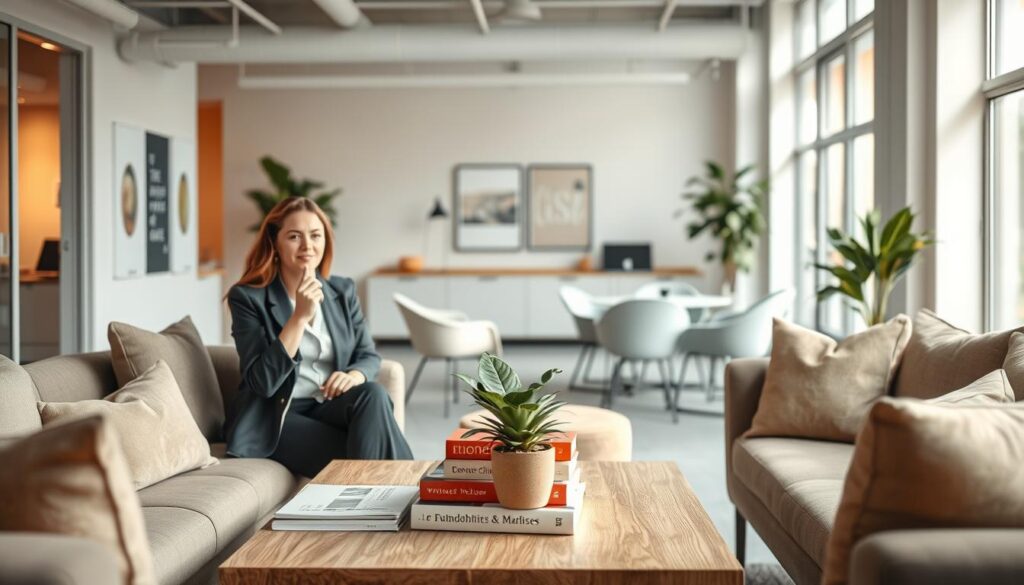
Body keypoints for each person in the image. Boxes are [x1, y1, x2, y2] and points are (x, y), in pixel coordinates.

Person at [224, 197, 412, 477]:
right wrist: (299, 317)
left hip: (328, 405)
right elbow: (262, 383)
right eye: (294, 237)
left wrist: (354, 376)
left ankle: (372, 499)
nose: (307, 246)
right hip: (278, 417)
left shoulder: (342, 290)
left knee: (372, 393)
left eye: (315, 235)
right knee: (366, 447)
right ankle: (416, 483)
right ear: (275, 242)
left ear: (326, 241)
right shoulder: (248, 297)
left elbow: (368, 355)